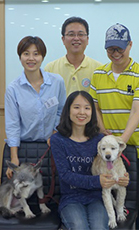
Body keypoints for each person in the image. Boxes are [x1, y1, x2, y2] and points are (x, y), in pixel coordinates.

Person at [89, 23, 139, 229]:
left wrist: (121, 141)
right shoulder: (98, 74)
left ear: (130, 45)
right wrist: (101, 128)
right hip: (108, 149)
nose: (115, 53)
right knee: (108, 191)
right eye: (110, 49)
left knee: (137, 196)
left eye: (119, 48)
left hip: (135, 147)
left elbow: (137, 111)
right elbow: (95, 107)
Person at [50, 91, 129, 229]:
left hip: (96, 197)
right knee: (80, 227)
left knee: (99, 227)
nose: (82, 112)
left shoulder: (99, 139)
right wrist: (96, 180)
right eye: (76, 107)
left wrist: (123, 177)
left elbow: (113, 163)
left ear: (92, 112)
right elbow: (65, 175)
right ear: (67, 110)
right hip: (71, 197)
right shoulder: (58, 140)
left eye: (87, 108)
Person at [5, 36, 66, 178]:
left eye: (36, 54)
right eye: (26, 54)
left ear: (42, 57)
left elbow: (61, 110)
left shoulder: (57, 82)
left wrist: (55, 131)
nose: (31, 58)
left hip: (51, 146)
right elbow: (12, 125)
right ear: (20, 56)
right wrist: (14, 157)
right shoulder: (13, 89)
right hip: (24, 148)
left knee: (51, 189)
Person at [44, 16, 102, 96]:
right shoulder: (50, 69)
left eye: (80, 34)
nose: (76, 38)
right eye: (71, 34)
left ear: (87, 39)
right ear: (63, 39)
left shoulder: (98, 69)